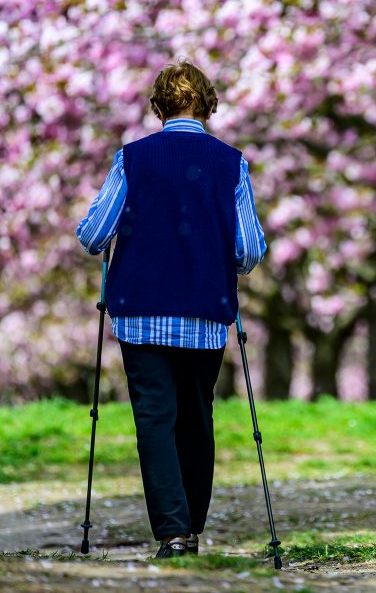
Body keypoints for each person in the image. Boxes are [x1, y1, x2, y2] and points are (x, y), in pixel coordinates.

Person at [76, 59, 266, 559]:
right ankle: (193, 525)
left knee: (154, 419)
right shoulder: (232, 162)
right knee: (195, 417)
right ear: (209, 105)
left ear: (157, 107)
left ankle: (173, 533)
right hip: (205, 312)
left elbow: (95, 235)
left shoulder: (132, 159)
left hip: (140, 311)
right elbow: (249, 249)